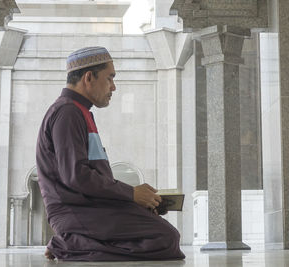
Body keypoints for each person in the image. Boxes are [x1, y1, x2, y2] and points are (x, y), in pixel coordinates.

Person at [36, 47, 185, 261]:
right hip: (76, 211)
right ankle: (69, 244)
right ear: (89, 77)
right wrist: (131, 194)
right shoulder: (67, 113)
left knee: (165, 236)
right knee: (165, 238)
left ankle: (78, 244)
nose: (113, 87)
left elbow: (92, 176)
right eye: (110, 78)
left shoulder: (80, 111)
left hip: (92, 207)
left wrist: (136, 202)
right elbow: (76, 176)